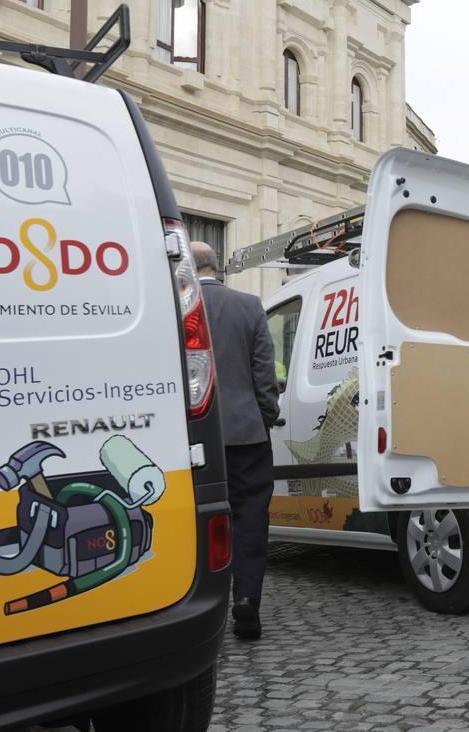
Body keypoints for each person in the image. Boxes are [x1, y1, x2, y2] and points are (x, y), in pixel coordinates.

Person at [193, 241, 280, 640]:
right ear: (216, 267)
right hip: (247, 436)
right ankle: (247, 599)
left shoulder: (176, 310)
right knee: (249, 520)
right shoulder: (249, 306)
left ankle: (198, 608)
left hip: (194, 439)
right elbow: (264, 375)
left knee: (197, 522)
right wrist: (264, 419)